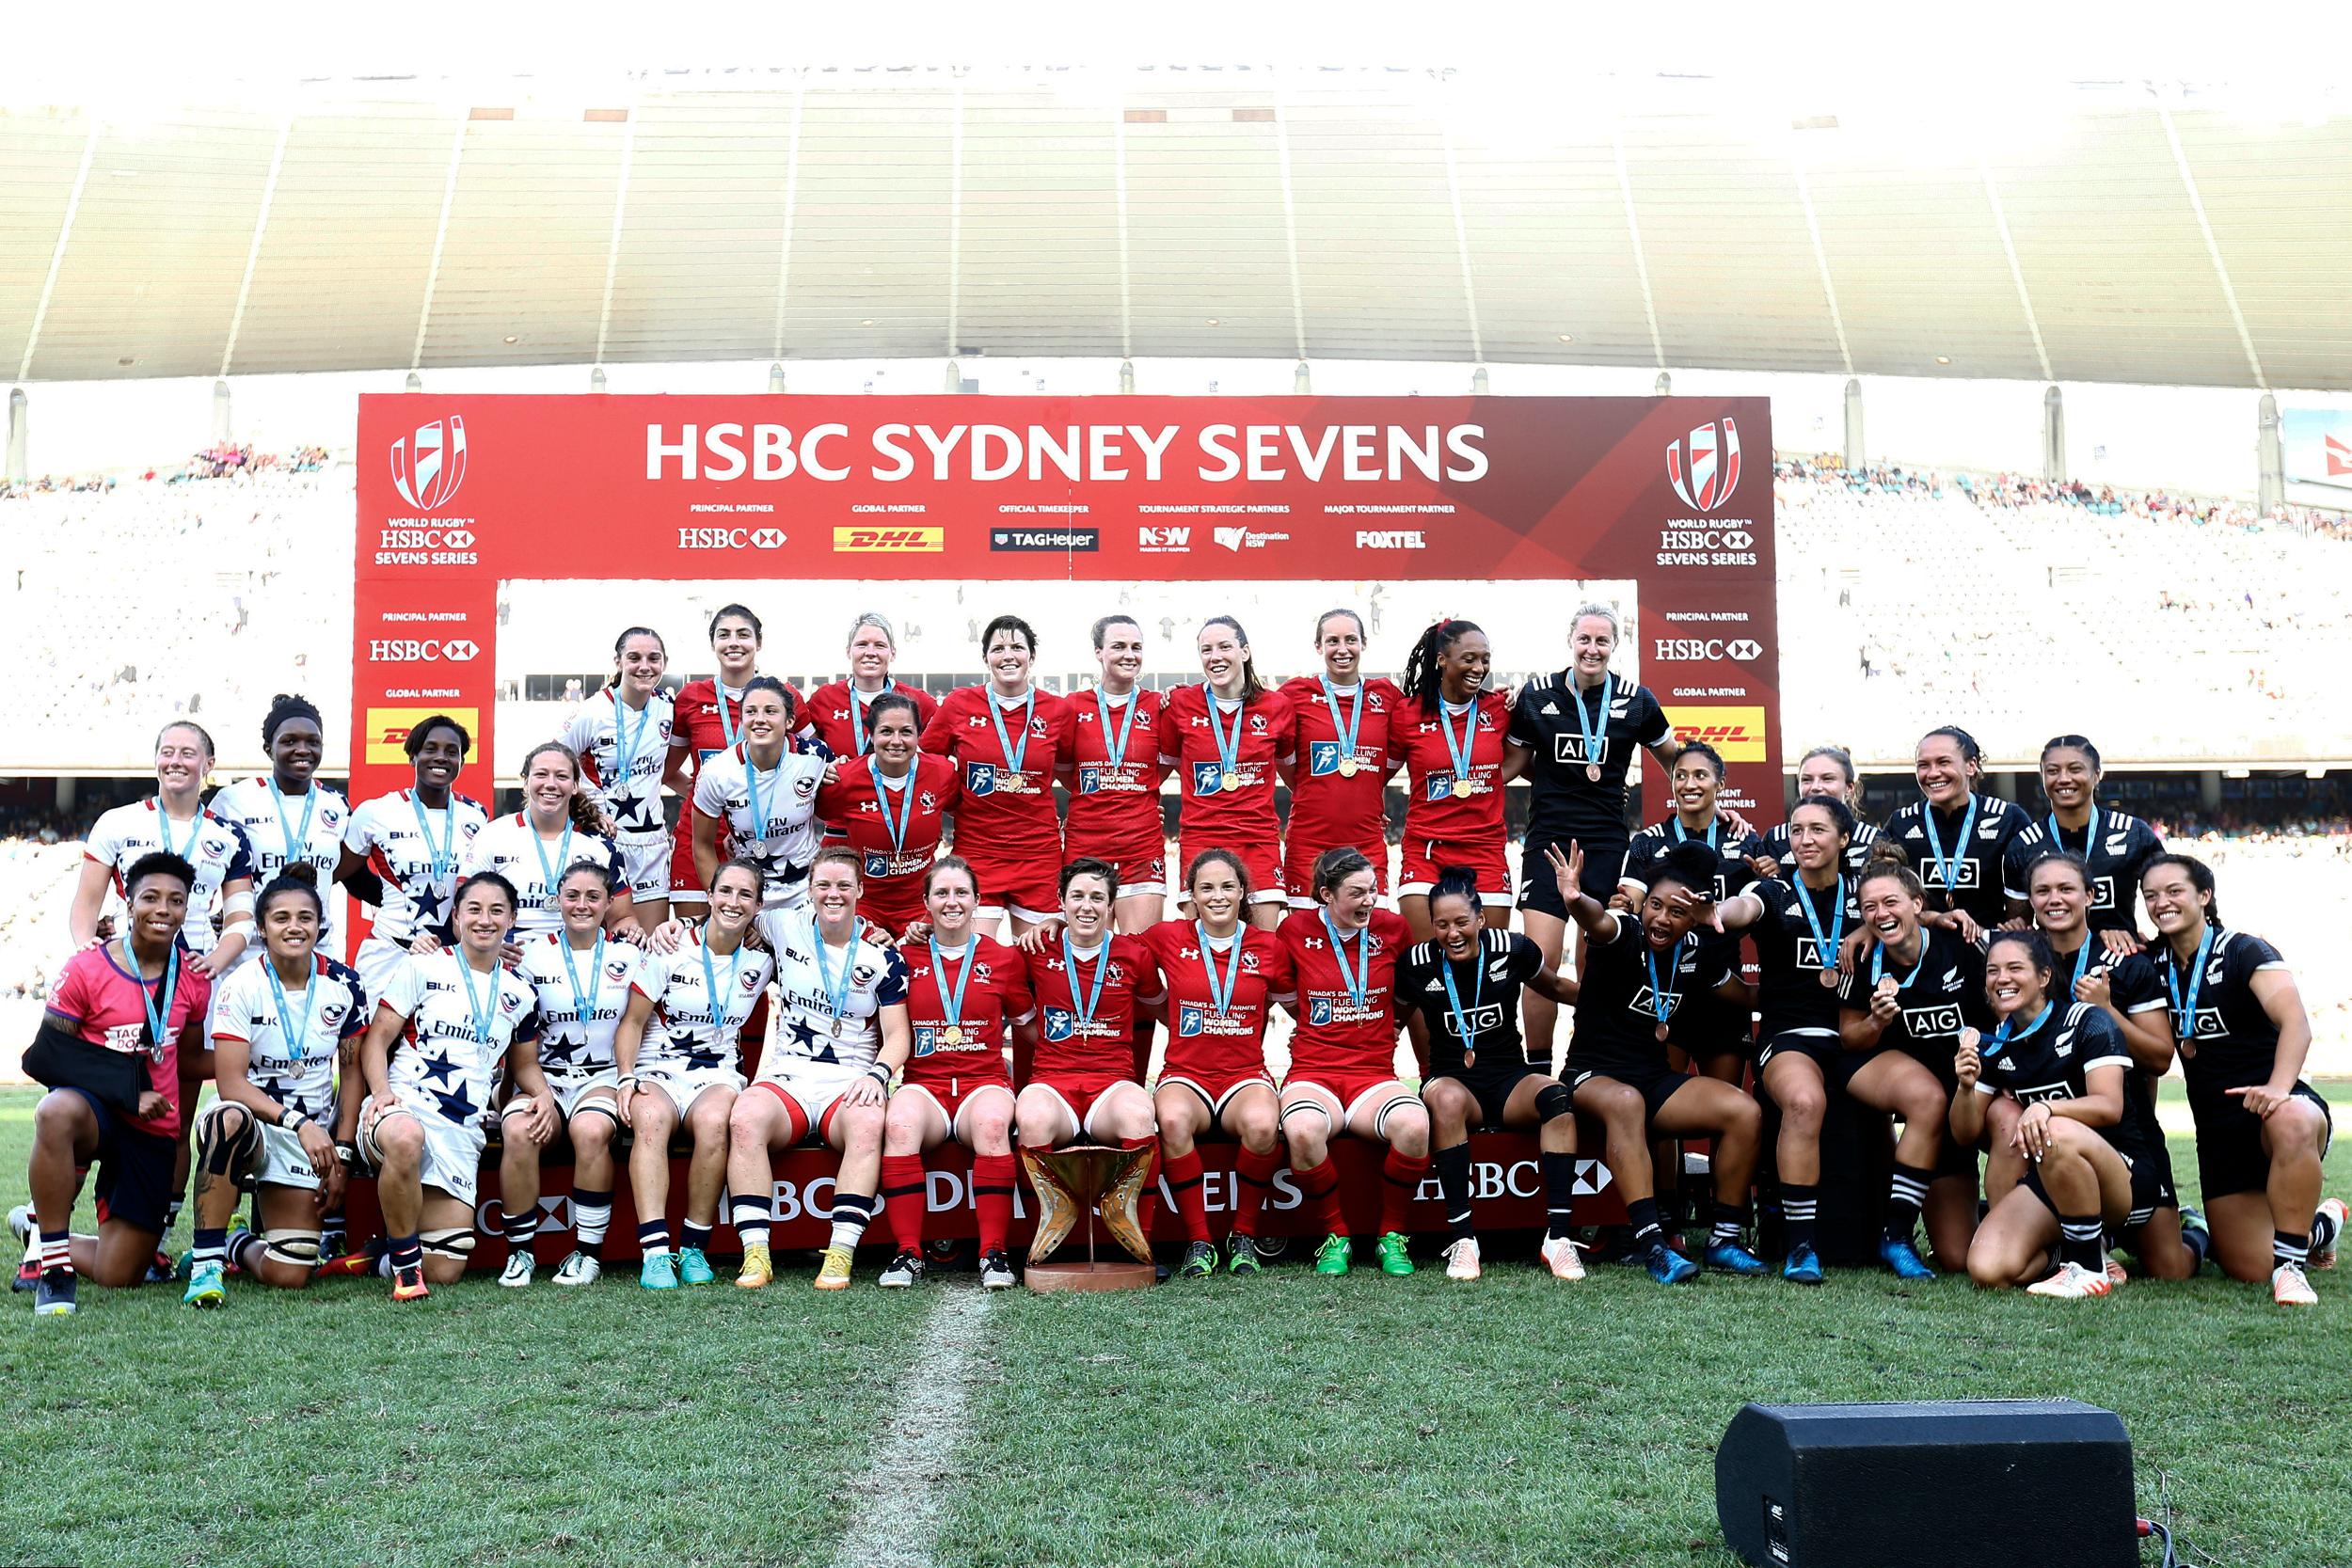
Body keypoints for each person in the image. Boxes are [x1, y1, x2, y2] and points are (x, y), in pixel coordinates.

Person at [1711, 795, 1942, 1281]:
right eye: (1796, 830)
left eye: (1818, 830)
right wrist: (1716, 913)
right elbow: (1743, 908)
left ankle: (1897, 1238)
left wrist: (1872, 923)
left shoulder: (1865, 899)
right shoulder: (1774, 891)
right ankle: (1800, 1247)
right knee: (1804, 1102)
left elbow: (1909, 913)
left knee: (1927, 1098)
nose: (1805, 840)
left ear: (1843, 838)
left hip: (1853, 1037)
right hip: (1790, 1036)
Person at [1555, 840, 1769, 1285]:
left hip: (1651, 1077)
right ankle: (1652, 1243)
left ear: (1691, 918)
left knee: (1744, 1111)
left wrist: (1802, 989)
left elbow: (1746, 996)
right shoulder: (1623, 933)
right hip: (1592, 1075)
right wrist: (1575, 900)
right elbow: (1598, 920)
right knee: (1627, 1101)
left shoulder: (1693, 951)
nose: (1661, 918)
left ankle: (1724, 1240)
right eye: (1655, 905)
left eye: (1675, 911)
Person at [14, 852, 213, 1315]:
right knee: (55, 1110)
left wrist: (255, 1059)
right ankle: (55, 1266)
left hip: (150, 1133)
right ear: (128, 902)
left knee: (119, 1274)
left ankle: (38, 1231)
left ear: (187, 909)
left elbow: (187, 1061)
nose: (163, 909)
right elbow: (44, 1055)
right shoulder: (87, 966)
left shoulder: (194, 979)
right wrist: (127, 1092)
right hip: (98, 1113)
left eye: (176, 901)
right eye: (151, 898)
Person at [2140, 853, 2336, 1306]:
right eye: (2150, 896)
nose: (2161, 902)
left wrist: (2279, 1089)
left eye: (2174, 892)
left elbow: (2296, 1023)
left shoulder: (2244, 949)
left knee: (2291, 1121)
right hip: (2218, 1131)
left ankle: (2291, 1272)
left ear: (2204, 896)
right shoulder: (2151, 963)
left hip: (2274, 1106)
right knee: (2248, 1267)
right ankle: (2322, 1225)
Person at [350, 871, 546, 1302]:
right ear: (456, 918)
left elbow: (525, 1065)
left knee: (446, 1268)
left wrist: (544, 1095)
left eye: (497, 910)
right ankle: (404, 1271)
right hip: (402, 1107)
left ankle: (383, 1255)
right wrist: (380, 1092)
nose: (485, 920)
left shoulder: (520, 991)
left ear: (512, 918)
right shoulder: (422, 965)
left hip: (460, 1128)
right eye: (473, 909)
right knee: (405, 1137)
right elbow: (377, 1040)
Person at [729, 847, 912, 1291]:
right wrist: (676, 927)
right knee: (744, 1118)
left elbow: (898, 1037)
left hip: (850, 1077)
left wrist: (878, 1074)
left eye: (844, 886)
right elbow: (730, 917)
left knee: (869, 1124)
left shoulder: (881, 956)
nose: (834, 894)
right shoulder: (783, 923)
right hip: (788, 1073)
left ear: (860, 891)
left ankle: (840, 1254)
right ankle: (756, 1253)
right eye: (824, 885)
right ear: (808, 891)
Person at [183, 864, 366, 1305]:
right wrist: (298, 1122)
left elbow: (353, 1072)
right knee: (226, 1119)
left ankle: (235, 1243)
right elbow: (230, 1083)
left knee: (292, 1272)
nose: (294, 926)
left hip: (312, 1137)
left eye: (305, 917)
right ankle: (207, 1263)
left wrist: (341, 1151)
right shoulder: (241, 984)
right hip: (258, 1121)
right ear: (262, 929)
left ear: (320, 925)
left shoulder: (344, 983)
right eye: (281, 918)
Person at [1400, 865, 1587, 1282]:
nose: (1453, 933)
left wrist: (1605, 1002)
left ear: (1481, 919)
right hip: (1452, 1081)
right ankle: (1464, 1241)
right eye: (1442, 924)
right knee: (1446, 1100)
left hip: (1508, 1080)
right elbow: (1392, 1020)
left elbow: (1555, 987)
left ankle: (1558, 1239)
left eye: (1462, 922)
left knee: (1557, 1097)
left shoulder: (1513, 949)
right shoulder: (1416, 962)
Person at [1507, 605, 1676, 1062]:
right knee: (1539, 958)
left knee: (1596, 960)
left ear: (1614, 646)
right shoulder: (1536, 694)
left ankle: (1590, 1059)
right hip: (1549, 843)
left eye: (1602, 641)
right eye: (1585, 639)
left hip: (1606, 846)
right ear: (1570, 640)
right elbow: (1510, 766)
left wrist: (1714, 809)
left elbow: (1677, 763)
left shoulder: (1636, 699)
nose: (1592, 649)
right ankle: (1538, 1066)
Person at [2023, 849, 2200, 1280]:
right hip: (2048, 1122)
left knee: (2170, 1269)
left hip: (2123, 1127)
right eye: (2042, 891)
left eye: (2066, 888)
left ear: (2091, 895)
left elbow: (2160, 1057)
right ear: (2029, 900)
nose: (2054, 899)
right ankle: (2083, 1246)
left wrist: (2107, 1010)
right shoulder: (2017, 962)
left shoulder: (2126, 961)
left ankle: (2195, 1230)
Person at [1951, 930, 2149, 1300]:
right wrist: (1964, 1086)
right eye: (1993, 971)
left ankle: (2089, 1268)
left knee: (2053, 1127)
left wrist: (2046, 1106)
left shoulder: (2087, 1021)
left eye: (2014, 968)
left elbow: (2109, 1106)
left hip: (2120, 1172)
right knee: (1987, 1268)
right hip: (2051, 1174)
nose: (2001, 979)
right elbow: (1964, 1133)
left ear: (2043, 977)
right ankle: (2075, 1255)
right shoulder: (1997, 1040)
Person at [612, 858, 773, 1291]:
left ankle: (694, 1247)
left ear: (758, 906)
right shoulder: (670, 946)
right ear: (710, 895)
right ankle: (655, 1252)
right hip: (658, 1067)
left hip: (716, 1073)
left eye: (745, 895)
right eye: (726, 891)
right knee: (650, 1121)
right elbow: (631, 1022)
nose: (733, 902)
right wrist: (626, 1077)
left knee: (715, 1123)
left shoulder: (762, 960)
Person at [1140, 849, 1296, 1279]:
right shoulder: (1167, 936)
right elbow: (1109, 947)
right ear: (1190, 895)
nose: (1218, 896)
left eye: (1227, 886)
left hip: (1244, 1074)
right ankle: (1199, 1241)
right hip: (1185, 1074)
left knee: (1264, 1125)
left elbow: (1302, 1005)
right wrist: (1054, 923)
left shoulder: (1268, 947)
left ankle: (1242, 1234)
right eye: (1206, 888)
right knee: (1170, 1120)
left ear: (1243, 891)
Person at [875, 856, 1029, 1290]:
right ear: (925, 902)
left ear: (978, 901)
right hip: (925, 1084)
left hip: (984, 1082)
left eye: (961, 893)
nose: (952, 902)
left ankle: (993, 1253)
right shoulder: (903, 957)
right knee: (900, 1124)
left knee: (994, 1124)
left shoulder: (1005, 959)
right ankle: (908, 1253)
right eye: (941, 893)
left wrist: (1029, 1084)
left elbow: (1025, 1028)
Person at [1273, 847, 1427, 1277]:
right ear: (1326, 894)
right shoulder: (1294, 929)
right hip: (1313, 1072)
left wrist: (1387, 1025)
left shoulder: (1394, 929)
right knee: (1302, 1130)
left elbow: (1408, 990)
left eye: (1374, 890)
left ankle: (1391, 1236)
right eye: (1356, 893)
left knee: (1415, 1125)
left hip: (1373, 1074)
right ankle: (1333, 1235)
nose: (1368, 901)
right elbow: (1286, 993)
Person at [1836, 855, 1989, 1272]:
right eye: (1870, 908)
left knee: (1958, 1256)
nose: (1881, 914)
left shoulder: (1960, 945)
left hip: (1960, 1084)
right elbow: (1849, 1037)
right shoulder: (1862, 958)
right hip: (1884, 1067)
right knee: (1928, 1098)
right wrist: (1876, 1020)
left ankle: (2013, 1218)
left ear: (1918, 904)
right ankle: (1897, 1234)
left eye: (1891, 902)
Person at [501, 860, 648, 1287]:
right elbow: (518, 1038)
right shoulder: (528, 954)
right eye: (572, 896)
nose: (581, 905)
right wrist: (537, 1092)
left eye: (593, 897)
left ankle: (587, 1253)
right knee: (517, 1130)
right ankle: (520, 1253)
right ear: (557, 900)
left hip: (600, 1076)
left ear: (608, 905)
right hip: (542, 1074)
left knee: (590, 1130)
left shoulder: (631, 955)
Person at [1011, 859, 1167, 1259]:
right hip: (1053, 1080)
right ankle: (1047, 1232)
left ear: (1112, 906)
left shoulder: (1134, 954)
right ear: (1060, 902)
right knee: (1032, 1119)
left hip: (1111, 1083)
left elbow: (1161, 1010)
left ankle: (1139, 1237)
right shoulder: (1036, 948)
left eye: (1098, 898)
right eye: (1077, 896)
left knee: (1138, 1115)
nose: (1087, 906)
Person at [1618, 741, 1766, 1085]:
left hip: (1723, 992)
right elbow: (1632, 903)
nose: (1689, 784)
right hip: (1664, 988)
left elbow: (1758, 908)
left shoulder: (1745, 842)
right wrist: (1623, 906)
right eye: (1680, 775)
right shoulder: (1648, 842)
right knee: (1663, 1108)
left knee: (1726, 1108)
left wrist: (1768, 875)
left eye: (1701, 775)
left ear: (1721, 783)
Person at [921, 615, 1071, 936]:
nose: (1008, 655)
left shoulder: (1058, 710)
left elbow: (1074, 773)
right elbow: (926, 765)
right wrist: (951, 800)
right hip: (978, 851)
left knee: (1040, 963)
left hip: (1038, 856)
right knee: (974, 962)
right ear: (985, 657)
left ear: (1032, 655)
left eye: (1017, 647)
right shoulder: (960, 703)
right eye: (998, 648)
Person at [73, 721, 255, 975]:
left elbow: (241, 918)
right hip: (126, 968)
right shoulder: (116, 822)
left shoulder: (231, 836)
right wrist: (86, 945)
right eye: (167, 752)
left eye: (187, 753)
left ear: (209, 764)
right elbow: (86, 903)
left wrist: (215, 961)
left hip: (195, 971)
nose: (175, 761)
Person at [1158, 616, 1296, 930]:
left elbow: (1296, 778)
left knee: (1262, 950)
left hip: (1257, 841)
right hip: (1201, 839)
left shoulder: (1278, 706)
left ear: (1244, 652)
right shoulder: (1180, 703)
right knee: (1204, 951)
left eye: (1224, 647)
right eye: (1206, 650)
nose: (1215, 656)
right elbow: (1155, 773)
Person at [338, 714, 490, 998]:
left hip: (451, 957)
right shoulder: (376, 812)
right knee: (371, 1041)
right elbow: (343, 872)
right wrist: (388, 897)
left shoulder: (476, 816)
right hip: (390, 954)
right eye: (430, 749)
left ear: (462, 762)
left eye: (451, 752)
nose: (441, 758)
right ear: (412, 757)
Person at [1389, 618, 1521, 938]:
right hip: (1427, 848)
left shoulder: (1500, 708)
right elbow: (1378, 774)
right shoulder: (1408, 713)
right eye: (1469, 659)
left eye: (1485, 659)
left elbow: (1520, 757)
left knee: (1490, 959)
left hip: (1485, 848)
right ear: (1442, 660)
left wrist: (1486, 780)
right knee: (1424, 959)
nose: (1479, 667)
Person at [208, 693, 353, 964]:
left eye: (313, 742)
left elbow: (351, 875)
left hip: (317, 951)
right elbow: (204, 867)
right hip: (250, 953)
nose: (303, 749)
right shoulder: (233, 800)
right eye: (289, 741)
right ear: (268, 748)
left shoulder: (337, 805)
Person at [1278, 609, 1403, 911]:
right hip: (1309, 841)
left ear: (1364, 643)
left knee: (1370, 937)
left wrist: (1498, 698)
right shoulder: (1295, 693)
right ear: (1319, 646)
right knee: (1304, 940)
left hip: (1366, 842)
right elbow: (1248, 709)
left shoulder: (1387, 696)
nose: (1342, 649)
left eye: (1351, 640)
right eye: (1332, 641)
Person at [814, 691, 959, 937]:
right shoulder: (845, 778)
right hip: (865, 903)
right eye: (886, 731)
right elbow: (812, 816)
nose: (896, 740)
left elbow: (962, 810)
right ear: (872, 735)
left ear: (918, 735)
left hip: (921, 903)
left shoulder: (942, 773)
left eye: (906, 732)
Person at [562, 626, 678, 931]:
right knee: (603, 947)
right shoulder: (592, 712)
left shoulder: (668, 710)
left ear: (664, 662)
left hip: (651, 843)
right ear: (618, 661)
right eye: (634, 657)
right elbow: (549, 764)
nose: (644, 666)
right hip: (603, 840)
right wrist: (587, 810)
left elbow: (668, 771)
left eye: (654, 658)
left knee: (649, 947)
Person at [1061, 613, 1170, 934]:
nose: (1129, 654)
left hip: (1141, 846)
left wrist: (1133, 792)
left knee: (1142, 954)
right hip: (1086, 844)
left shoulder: (1160, 705)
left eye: (1136, 647)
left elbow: (1161, 769)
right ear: (1098, 653)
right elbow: (1065, 773)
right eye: (1119, 646)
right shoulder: (1070, 707)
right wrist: (1106, 788)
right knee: (1089, 954)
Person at [2002, 735, 2163, 947]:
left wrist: (2149, 945)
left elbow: (2168, 899)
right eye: (2052, 771)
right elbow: (2022, 927)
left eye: (2075, 769)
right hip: (2054, 969)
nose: (2063, 778)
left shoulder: (2134, 834)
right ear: (2042, 777)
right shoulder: (2023, 845)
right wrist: (2015, 928)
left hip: (2120, 961)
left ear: (2097, 774)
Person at [461, 741, 632, 937]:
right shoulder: (492, 835)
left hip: (575, 963)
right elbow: (462, 915)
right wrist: (491, 952)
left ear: (575, 785)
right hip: (507, 962)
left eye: (561, 776)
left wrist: (630, 932)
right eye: (541, 774)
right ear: (525, 783)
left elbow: (621, 919)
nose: (551, 784)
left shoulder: (600, 845)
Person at [691, 675, 832, 912]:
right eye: (751, 711)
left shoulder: (815, 756)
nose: (760, 720)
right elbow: (702, 846)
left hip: (804, 890)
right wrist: (724, 903)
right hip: (748, 891)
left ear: (789, 721)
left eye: (770, 711)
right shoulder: (717, 772)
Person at [663, 603, 767, 917]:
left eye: (743, 635)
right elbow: (667, 772)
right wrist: (705, 796)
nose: (734, 642)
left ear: (758, 643)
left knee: (757, 944)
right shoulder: (692, 697)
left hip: (760, 838)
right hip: (697, 837)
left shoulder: (779, 696)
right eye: (724, 635)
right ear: (713, 644)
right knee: (694, 943)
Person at [1881, 726, 2025, 940]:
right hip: (1923, 951)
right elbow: (1878, 889)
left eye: (1943, 762)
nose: (1932, 773)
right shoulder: (1902, 822)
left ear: (1971, 766)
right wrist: (1930, 917)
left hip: (1987, 952)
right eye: (1923, 765)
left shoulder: (2007, 818)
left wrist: (2018, 919)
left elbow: (2037, 879)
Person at [802, 611, 940, 760]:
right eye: (862, 645)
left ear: (893, 653)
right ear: (848, 651)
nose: (870, 652)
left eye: (880, 646)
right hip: (843, 783)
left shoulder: (918, 701)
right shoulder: (824, 698)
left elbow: (937, 759)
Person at [1757, 745, 1883, 879]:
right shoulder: (1776, 840)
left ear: (1849, 788)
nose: (1815, 787)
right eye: (1806, 780)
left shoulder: (1873, 840)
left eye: (1827, 779)